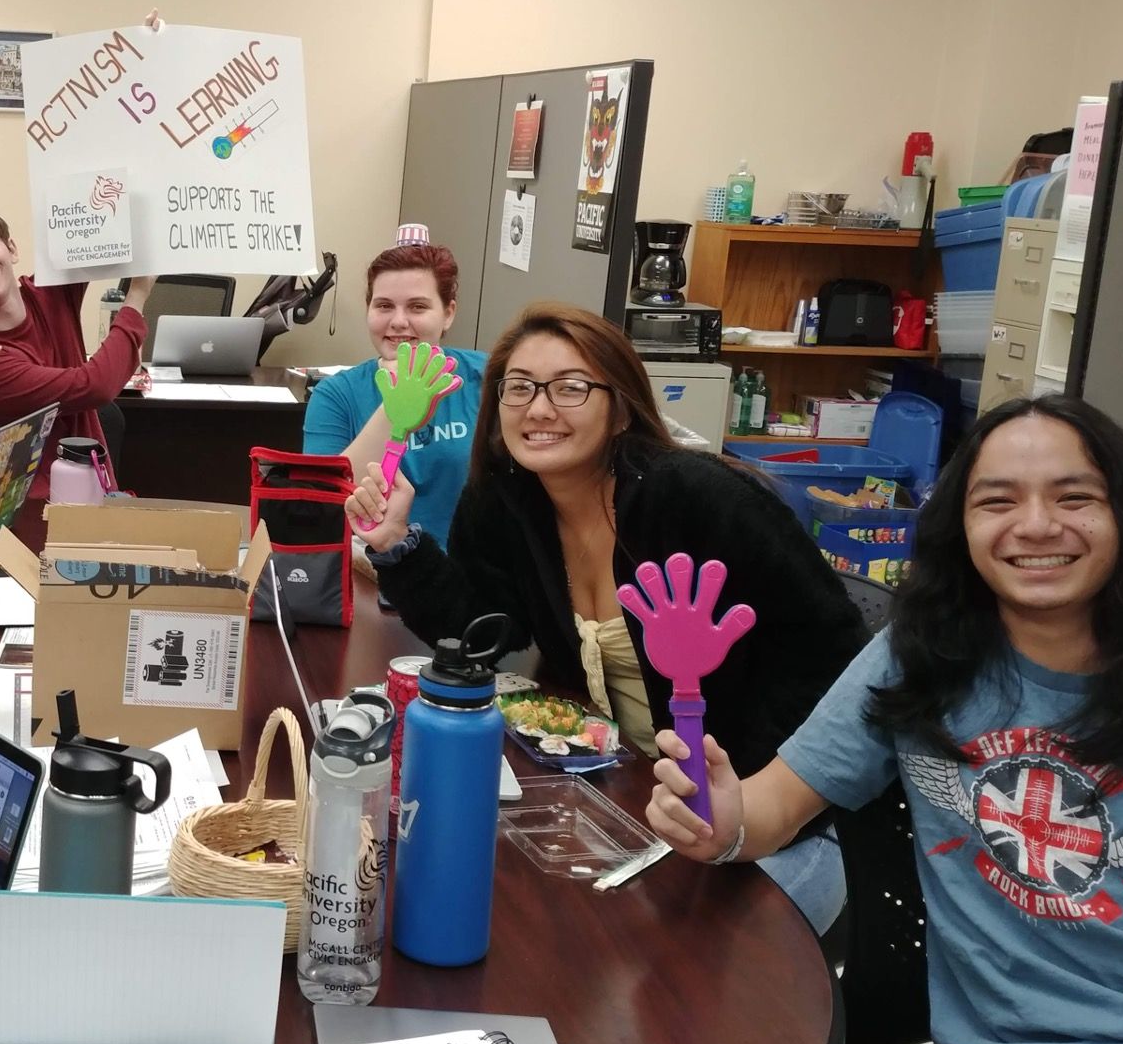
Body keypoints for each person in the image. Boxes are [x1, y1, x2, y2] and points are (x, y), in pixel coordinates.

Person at [647, 395, 1123, 1044]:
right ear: (960, 526)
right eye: (997, 502)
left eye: (1074, 498)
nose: (1036, 526)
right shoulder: (920, 658)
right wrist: (720, 820)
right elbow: (768, 811)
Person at [347, 301, 866, 931]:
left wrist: (742, 787)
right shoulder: (506, 502)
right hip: (623, 803)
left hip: (766, 827)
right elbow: (481, 628)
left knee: (677, 985)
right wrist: (399, 546)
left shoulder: (697, 499)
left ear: (620, 407)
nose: (539, 409)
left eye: (570, 388)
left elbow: (838, 654)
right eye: (519, 388)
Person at [0, 189, 152, 497]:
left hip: (97, 498)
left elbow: (96, 218)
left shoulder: (49, 291)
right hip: (34, 517)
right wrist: (137, 293)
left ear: (11, 248)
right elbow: (95, 386)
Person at [303, 225, 485, 549]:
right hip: (371, 571)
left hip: (468, 577)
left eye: (417, 307)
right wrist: (395, 402)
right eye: (384, 306)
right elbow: (323, 506)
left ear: (448, 313)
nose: (398, 321)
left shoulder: (484, 377)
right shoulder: (335, 395)